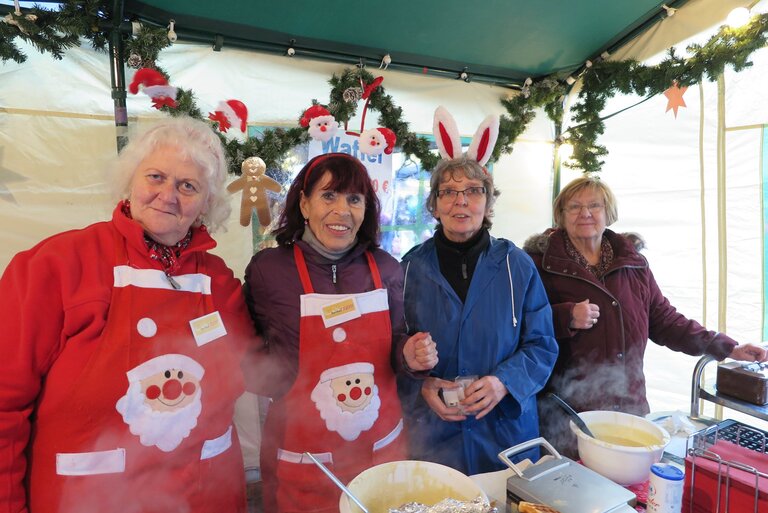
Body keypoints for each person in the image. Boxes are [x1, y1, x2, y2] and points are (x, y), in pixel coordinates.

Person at [0, 116, 263, 513]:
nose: (168, 195)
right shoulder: (56, 265)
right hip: (89, 499)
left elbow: (250, 373)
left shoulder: (219, 280)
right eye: (155, 177)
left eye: (187, 185)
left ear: (207, 202)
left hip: (205, 497)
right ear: (130, 181)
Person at [243, 152, 438, 513]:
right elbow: (245, 348)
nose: (342, 210)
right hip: (303, 456)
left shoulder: (387, 269)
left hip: (380, 449)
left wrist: (408, 355)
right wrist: (276, 379)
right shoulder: (270, 271)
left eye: (354, 199)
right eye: (328, 196)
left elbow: (396, 341)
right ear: (304, 203)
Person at [524, 176, 768, 457]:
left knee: (631, 492)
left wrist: (727, 347)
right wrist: (564, 317)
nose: (585, 213)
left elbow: (664, 320)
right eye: (574, 207)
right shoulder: (538, 264)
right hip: (567, 415)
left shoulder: (633, 264)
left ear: (609, 213)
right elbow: (519, 323)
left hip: (629, 408)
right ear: (561, 215)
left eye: (594, 205)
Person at [398, 155, 559, 475]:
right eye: (448, 192)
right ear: (434, 205)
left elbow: (542, 344)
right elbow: (390, 346)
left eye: (473, 191)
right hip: (435, 435)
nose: (461, 201)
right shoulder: (410, 269)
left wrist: (504, 382)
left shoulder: (517, 265)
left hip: (505, 434)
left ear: (488, 204)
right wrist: (421, 386)